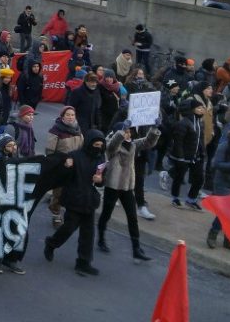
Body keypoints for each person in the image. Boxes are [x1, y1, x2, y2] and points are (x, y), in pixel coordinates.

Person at [43, 130, 106, 277]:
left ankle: (83, 263)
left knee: (88, 233)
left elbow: (102, 179)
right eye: (96, 144)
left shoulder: (100, 158)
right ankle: (51, 243)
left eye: (100, 145)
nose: (98, 147)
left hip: (89, 200)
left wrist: (100, 180)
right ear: (89, 143)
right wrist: (66, 167)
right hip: (74, 199)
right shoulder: (75, 156)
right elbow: (62, 177)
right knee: (68, 228)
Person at [96, 123, 159, 261]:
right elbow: (112, 146)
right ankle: (100, 238)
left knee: (132, 217)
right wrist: (120, 132)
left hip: (127, 187)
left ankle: (136, 248)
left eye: (129, 132)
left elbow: (148, 142)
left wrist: (154, 129)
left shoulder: (134, 144)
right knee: (106, 214)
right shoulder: (111, 144)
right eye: (125, 132)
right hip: (113, 185)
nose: (127, 134)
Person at [45, 106, 84, 227]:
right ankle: (56, 214)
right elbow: (50, 151)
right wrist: (63, 160)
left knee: (72, 192)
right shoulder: (56, 130)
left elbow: (81, 148)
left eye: (72, 115)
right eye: (68, 115)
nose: (70, 117)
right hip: (60, 167)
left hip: (74, 167)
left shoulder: (78, 130)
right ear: (62, 116)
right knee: (59, 193)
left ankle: (69, 214)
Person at [168, 97, 207, 210]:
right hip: (183, 157)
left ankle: (191, 199)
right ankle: (175, 197)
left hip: (196, 157)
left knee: (199, 178)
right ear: (192, 109)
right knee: (179, 178)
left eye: (202, 108)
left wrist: (202, 153)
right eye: (199, 108)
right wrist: (179, 157)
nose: (201, 110)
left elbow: (200, 140)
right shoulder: (184, 123)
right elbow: (178, 142)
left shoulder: (200, 123)